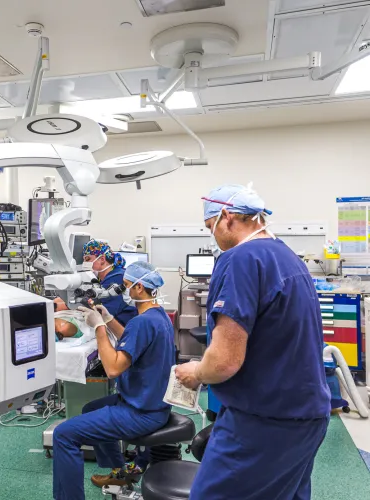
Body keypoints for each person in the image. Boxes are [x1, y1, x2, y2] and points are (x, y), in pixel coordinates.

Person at [175, 184, 330, 500]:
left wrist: (196, 371)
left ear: (227, 217)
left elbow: (223, 362)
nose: (214, 238)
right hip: (306, 416)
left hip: (264, 421)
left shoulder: (240, 259)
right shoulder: (288, 257)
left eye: (211, 227)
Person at [52, 262, 175, 500]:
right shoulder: (157, 316)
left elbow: (113, 369)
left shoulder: (143, 322)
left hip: (141, 412)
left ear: (139, 288)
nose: (123, 291)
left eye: (126, 286)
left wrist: (98, 328)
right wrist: (107, 319)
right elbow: (131, 340)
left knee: (64, 435)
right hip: (151, 402)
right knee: (90, 408)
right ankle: (120, 472)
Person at [53, 240, 137, 339]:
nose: (85, 264)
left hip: (119, 329)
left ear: (102, 259)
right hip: (109, 321)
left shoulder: (117, 278)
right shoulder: (104, 277)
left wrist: (58, 306)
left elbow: (100, 312)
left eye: (88, 259)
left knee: (62, 326)